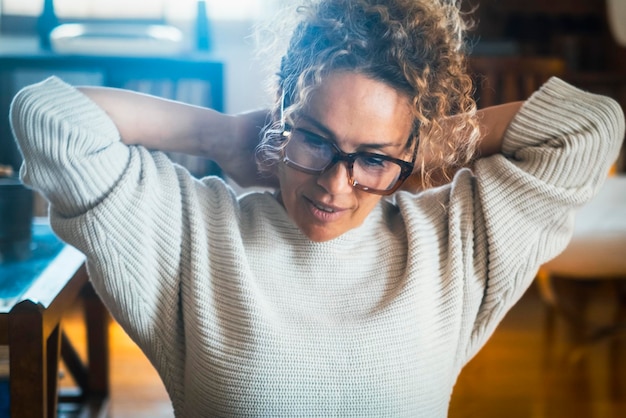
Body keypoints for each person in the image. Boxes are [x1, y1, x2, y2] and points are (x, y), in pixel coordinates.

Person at [10, 0, 624, 416]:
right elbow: (47, 115)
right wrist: (219, 134)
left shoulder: (450, 244)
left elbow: (594, 125)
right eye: (315, 139)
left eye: (369, 159)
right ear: (281, 118)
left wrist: (418, 151)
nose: (335, 185)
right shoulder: (194, 232)